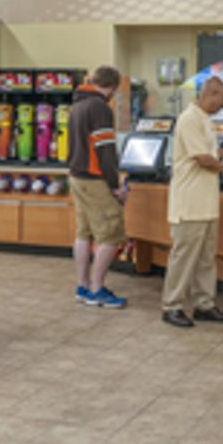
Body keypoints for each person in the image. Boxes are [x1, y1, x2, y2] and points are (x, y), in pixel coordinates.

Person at [162, 77, 223, 328]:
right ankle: (172, 306)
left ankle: (204, 304)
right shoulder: (189, 119)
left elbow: (211, 153)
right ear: (210, 94)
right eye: (222, 100)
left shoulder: (204, 120)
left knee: (205, 259)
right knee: (183, 257)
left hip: (206, 205)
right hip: (190, 204)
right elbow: (202, 159)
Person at [68, 65, 128, 308]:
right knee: (111, 234)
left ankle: (83, 286)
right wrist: (115, 186)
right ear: (112, 88)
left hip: (76, 176)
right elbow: (105, 151)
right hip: (95, 179)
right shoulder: (100, 108)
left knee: (84, 233)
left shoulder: (78, 105)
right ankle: (97, 289)